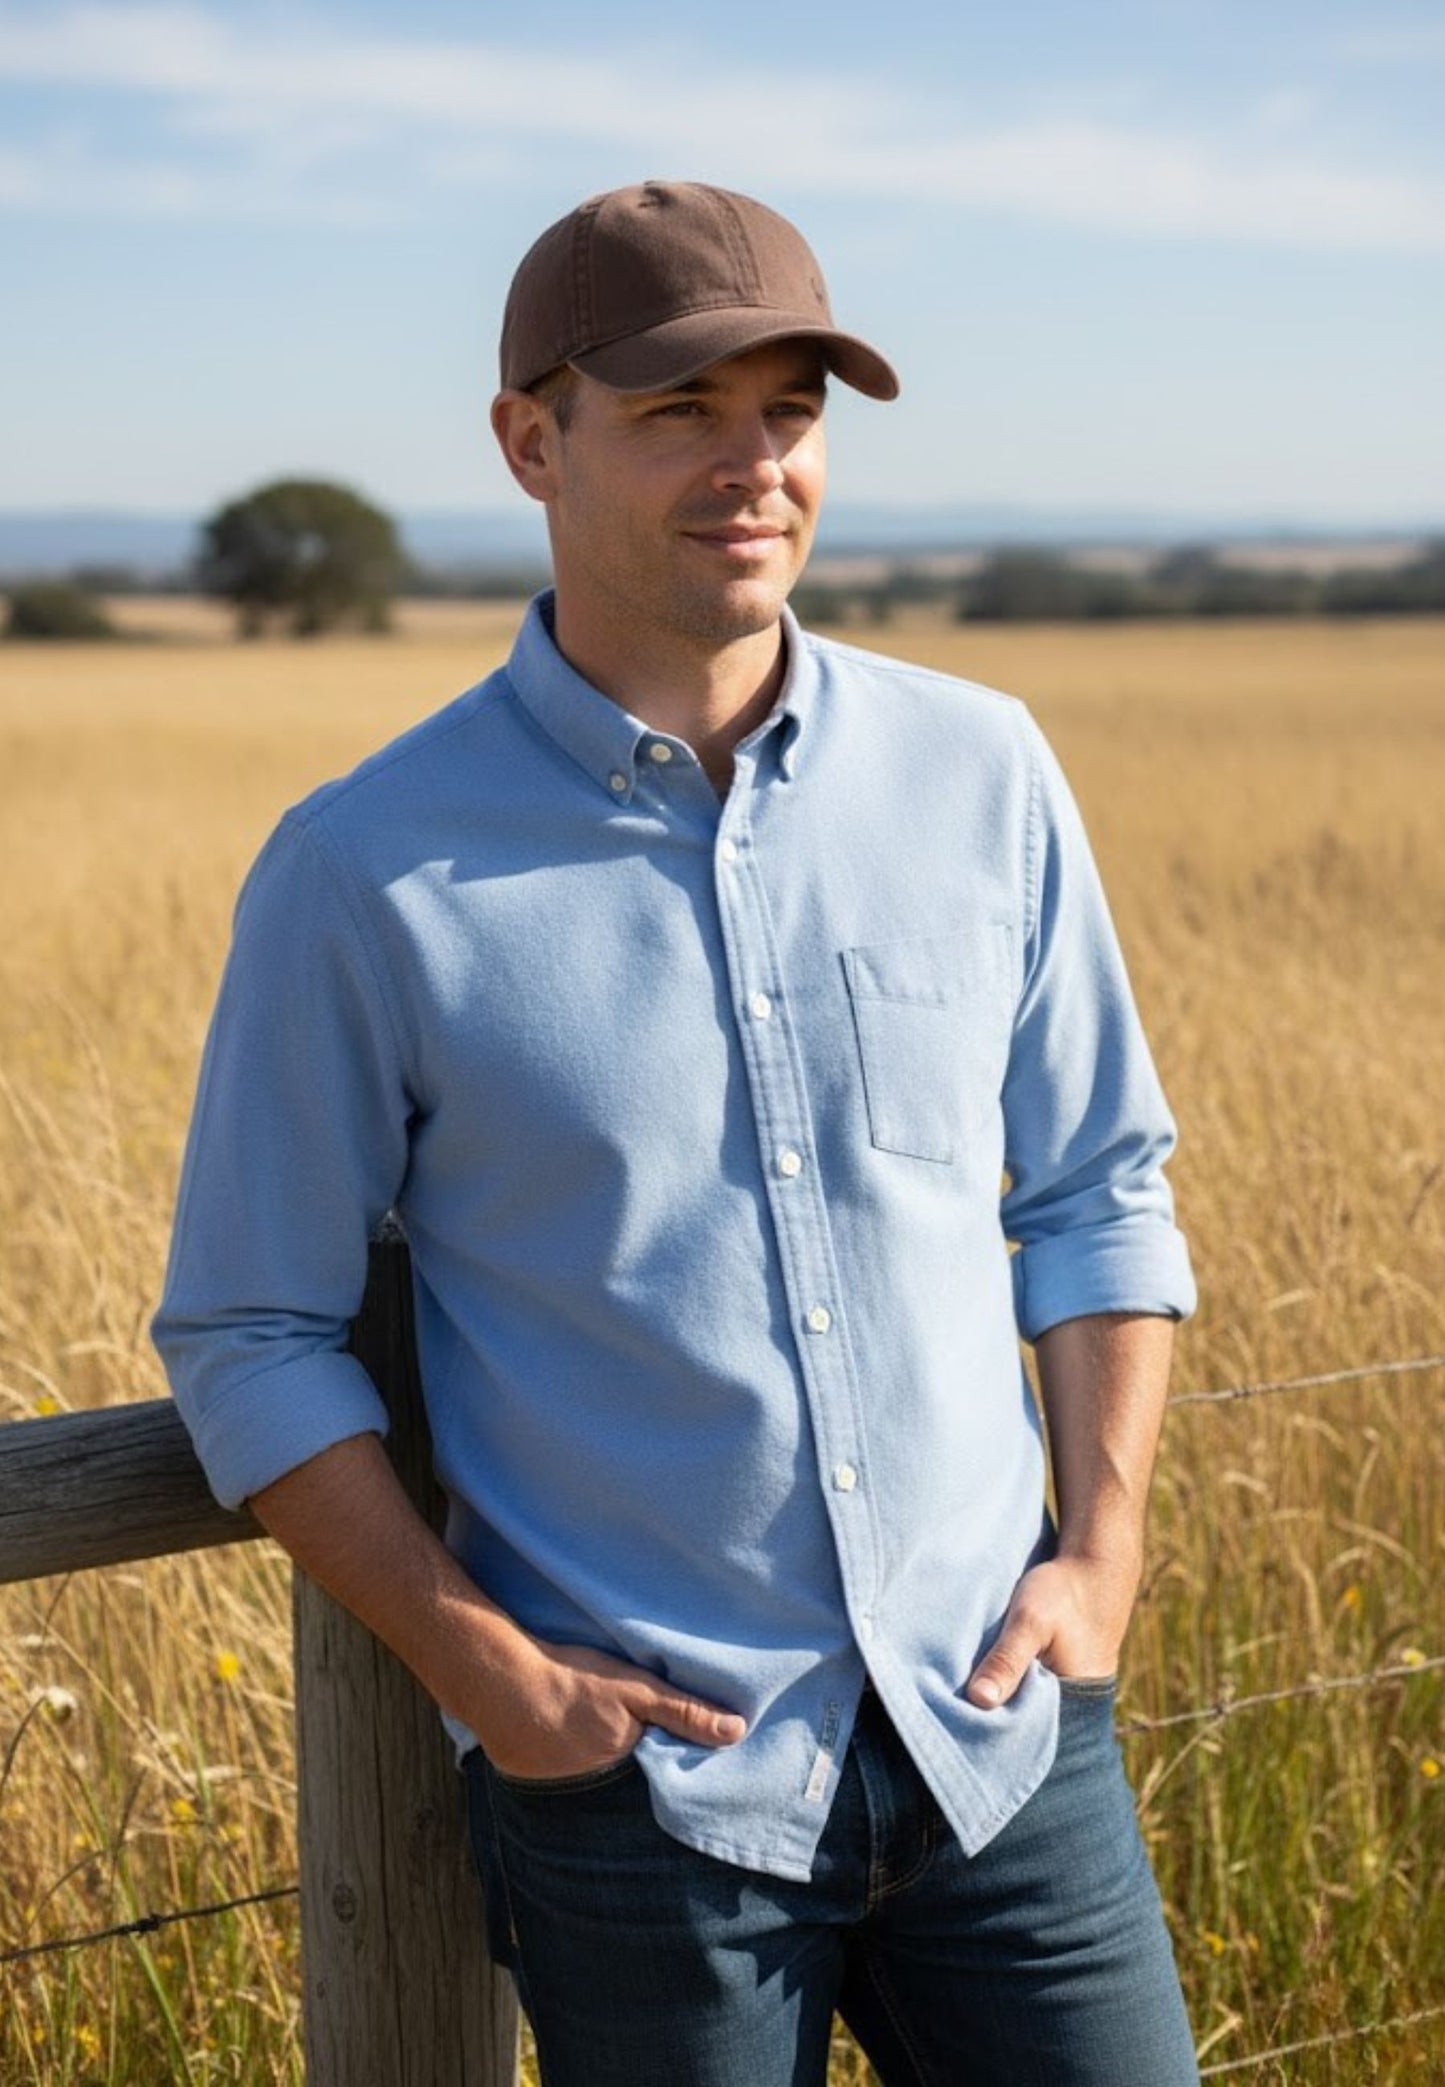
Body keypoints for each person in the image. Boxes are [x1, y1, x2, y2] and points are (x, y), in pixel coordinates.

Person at [154, 180, 1201, 2086]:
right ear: (528, 440)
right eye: (679, 414)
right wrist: (488, 1672)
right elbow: (248, 1331)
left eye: (790, 410)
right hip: (650, 1812)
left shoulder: (984, 773)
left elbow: (1094, 1190)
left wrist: (1100, 1561)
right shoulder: (363, 872)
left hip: (1004, 1749)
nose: (755, 466)